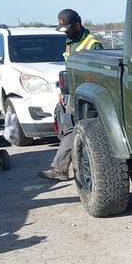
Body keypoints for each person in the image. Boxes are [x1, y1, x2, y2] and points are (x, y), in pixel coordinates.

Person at [38, 9, 102, 181]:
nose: (65, 32)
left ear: (77, 25)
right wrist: (63, 91)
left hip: (84, 94)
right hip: (71, 93)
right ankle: (65, 167)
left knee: (72, 129)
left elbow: (96, 74)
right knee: (70, 129)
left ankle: (61, 169)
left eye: (68, 28)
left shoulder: (92, 44)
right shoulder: (70, 41)